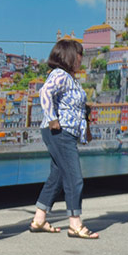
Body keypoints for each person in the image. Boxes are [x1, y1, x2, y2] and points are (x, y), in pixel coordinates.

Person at [29, 39, 98, 239]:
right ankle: (75, 224)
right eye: (78, 55)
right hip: (60, 132)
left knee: (58, 176)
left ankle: (39, 219)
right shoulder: (60, 75)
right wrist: (52, 119)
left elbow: (76, 108)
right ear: (69, 56)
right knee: (74, 177)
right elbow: (45, 92)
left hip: (65, 132)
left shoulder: (70, 78)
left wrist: (86, 129)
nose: (81, 59)